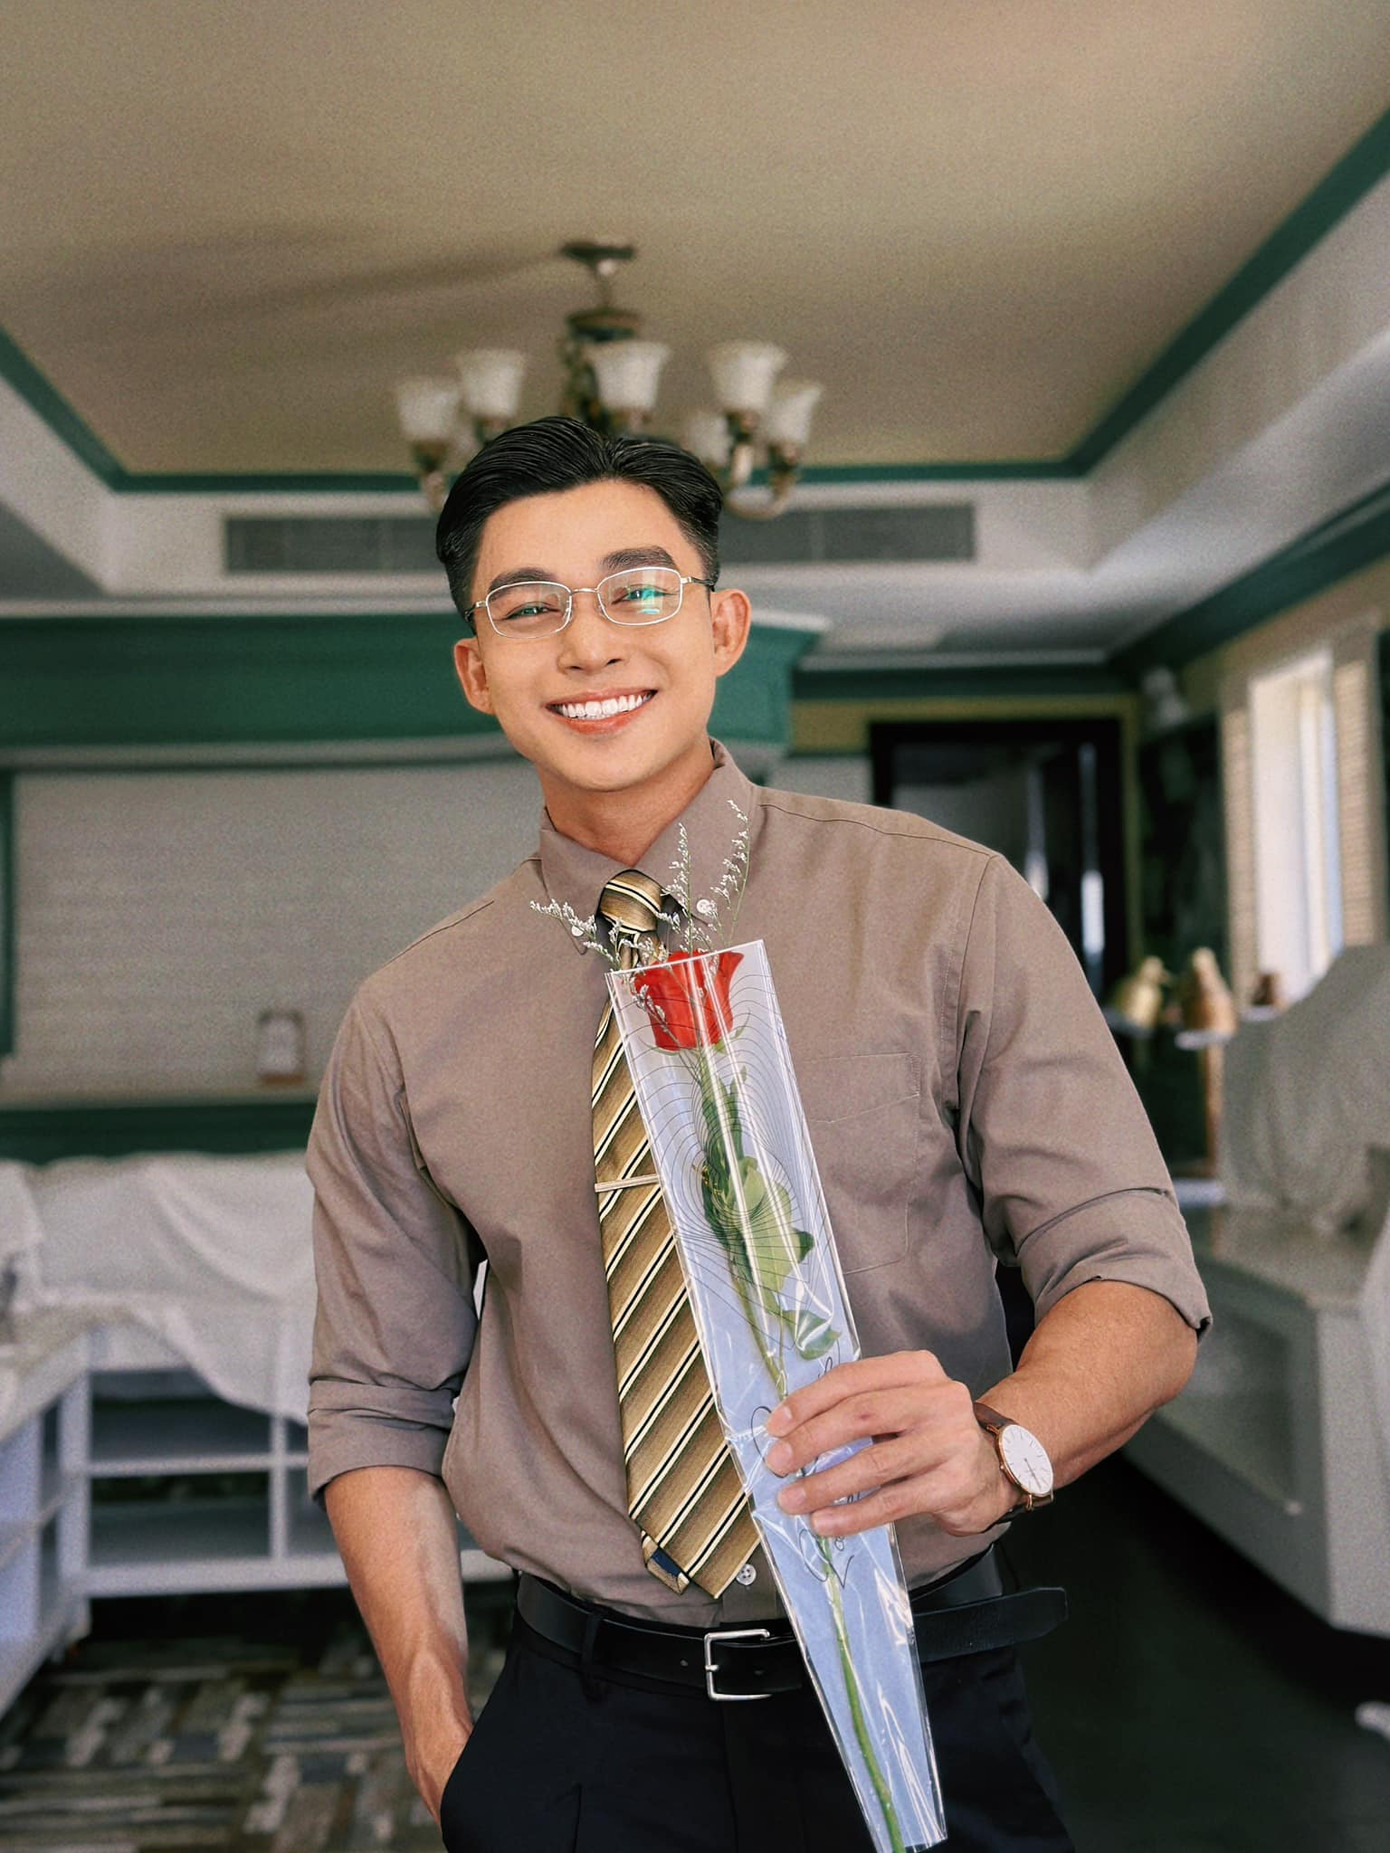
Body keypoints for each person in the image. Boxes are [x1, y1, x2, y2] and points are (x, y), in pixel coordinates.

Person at [306, 415, 1210, 1852]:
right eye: (527, 607)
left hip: (919, 1678)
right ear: (478, 669)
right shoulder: (408, 1017)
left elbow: (1137, 1277)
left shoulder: (946, 908)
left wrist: (1006, 1443)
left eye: (636, 588)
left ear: (721, 626)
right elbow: (375, 1399)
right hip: (583, 1724)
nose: (586, 643)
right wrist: (435, 1722)